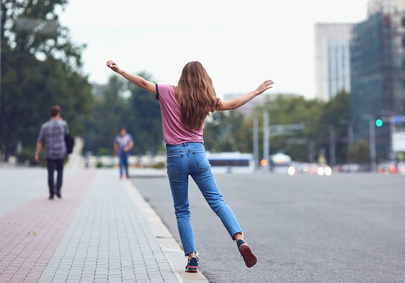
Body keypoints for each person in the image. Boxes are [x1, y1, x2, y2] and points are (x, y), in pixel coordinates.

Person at [106, 59, 274, 272]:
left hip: (176, 156)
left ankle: (192, 258)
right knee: (217, 201)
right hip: (197, 154)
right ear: (203, 78)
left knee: (182, 210)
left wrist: (121, 70)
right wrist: (257, 91)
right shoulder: (205, 99)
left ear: (183, 76)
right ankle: (240, 239)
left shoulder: (168, 91)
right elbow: (232, 104)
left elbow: (142, 83)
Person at [35, 105, 69, 200]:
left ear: (50, 114)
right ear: (58, 114)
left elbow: (40, 140)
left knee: (50, 173)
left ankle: (51, 193)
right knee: (60, 172)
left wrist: (37, 153)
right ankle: (58, 190)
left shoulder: (45, 126)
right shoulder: (63, 124)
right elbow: (67, 135)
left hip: (49, 152)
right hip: (61, 152)